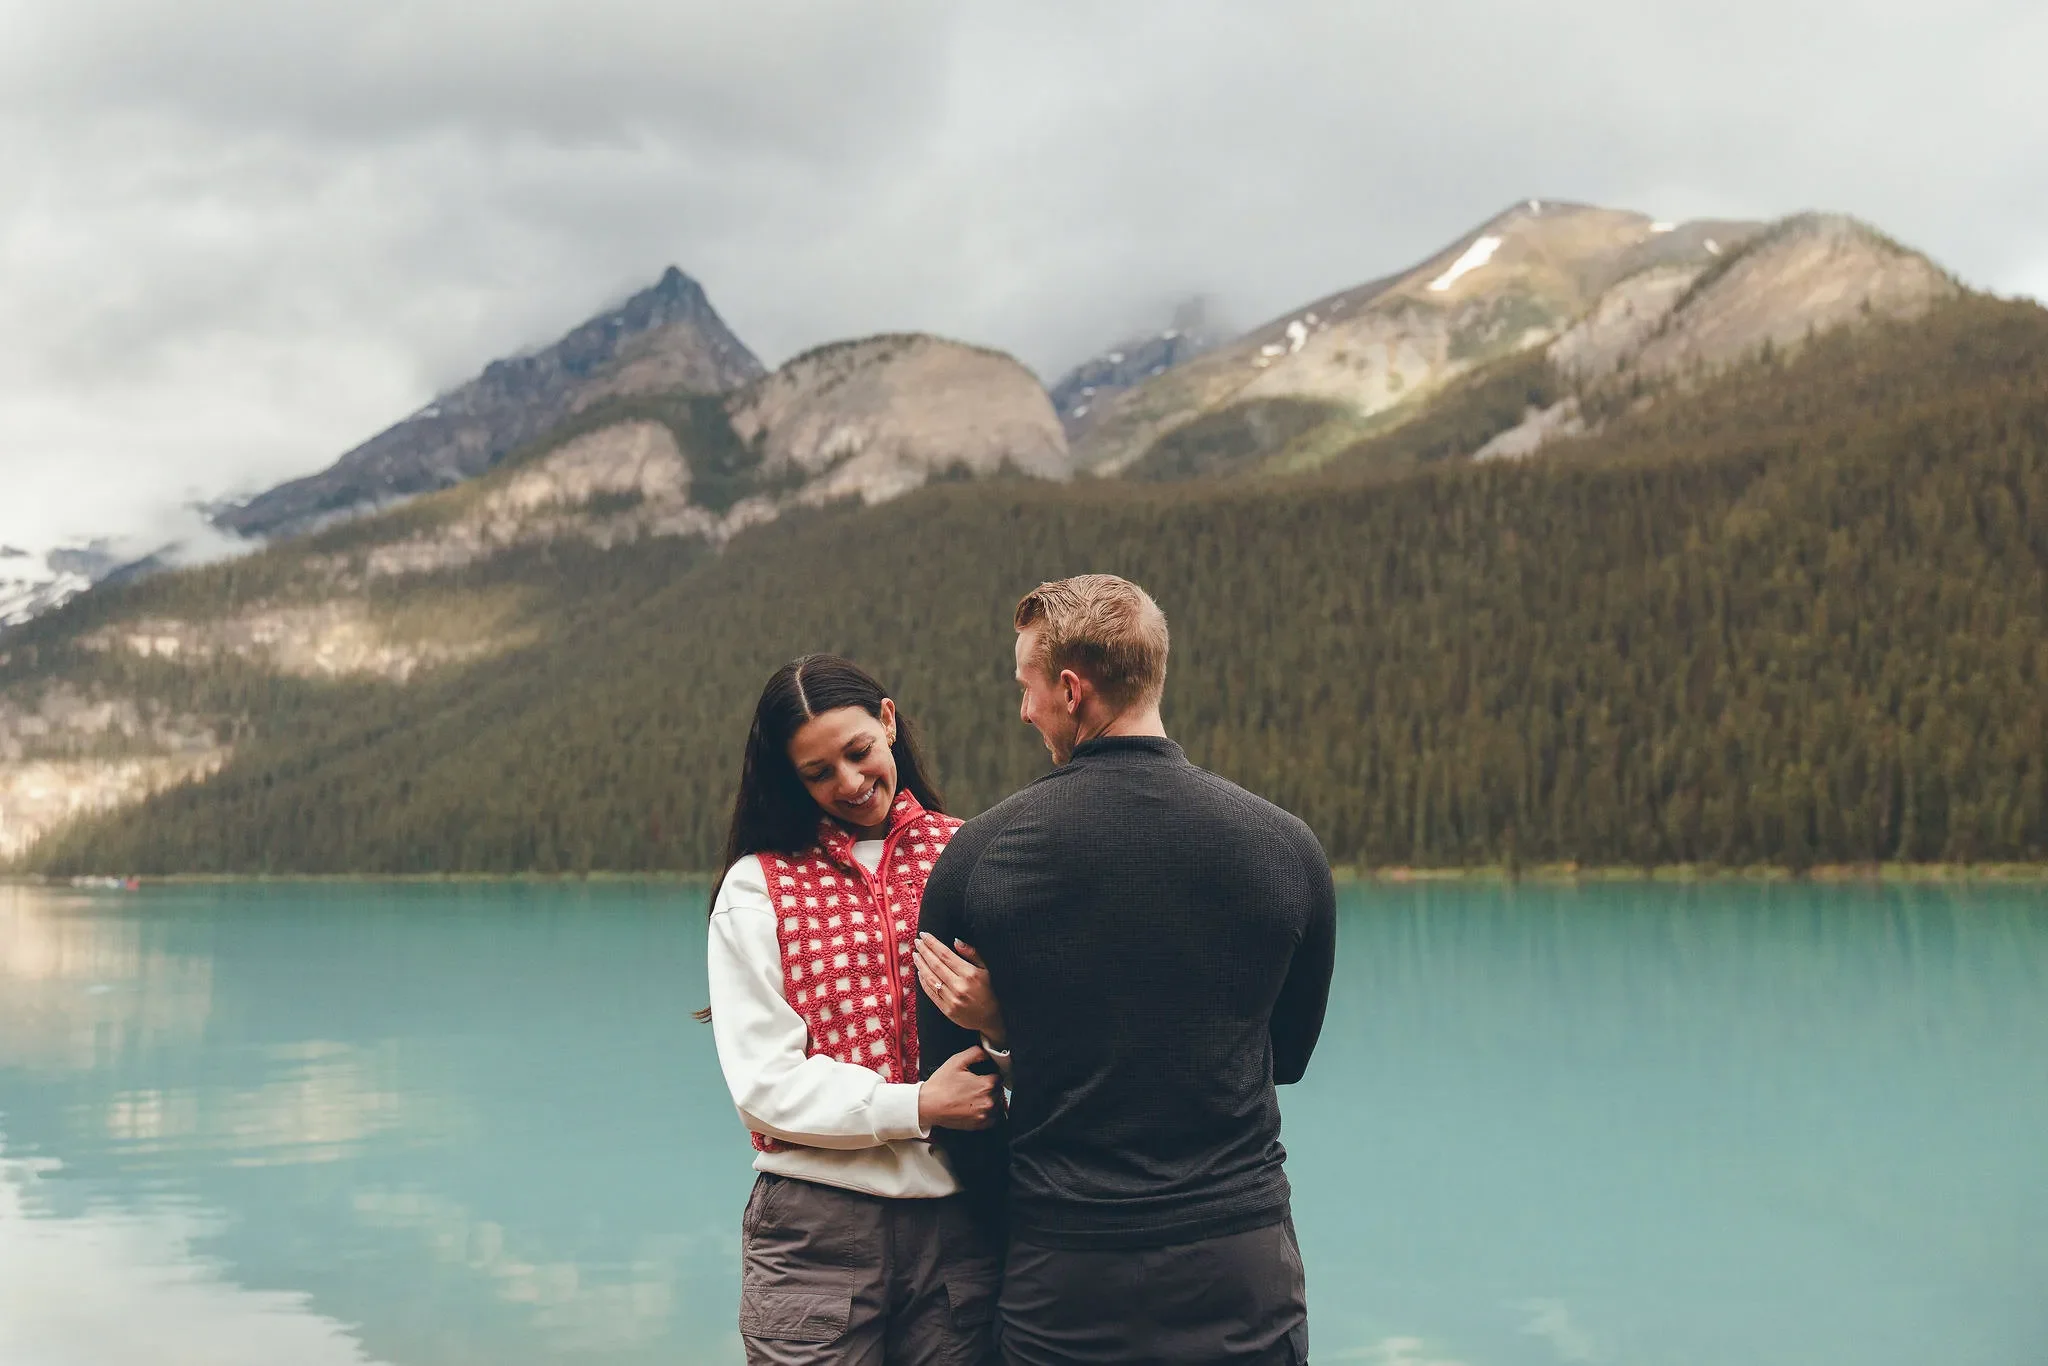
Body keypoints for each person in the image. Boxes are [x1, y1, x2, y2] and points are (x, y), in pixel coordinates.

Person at [915, 574, 1337, 1366]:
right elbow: (1287, 1057)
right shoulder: (1288, 847)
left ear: (1072, 690)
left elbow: (958, 1099)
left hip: (1066, 1272)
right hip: (1239, 1266)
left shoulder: (978, 859)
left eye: (1027, 686)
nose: (1024, 709)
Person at [706, 654, 1006, 1366]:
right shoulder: (757, 886)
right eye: (817, 773)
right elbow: (763, 1084)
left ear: (888, 722)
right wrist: (918, 1105)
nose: (848, 782)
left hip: (962, 1217)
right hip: (814, 1227)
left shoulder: (970, 854)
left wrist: (999, 1027)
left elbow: (1046, 1034)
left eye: (858, 750)